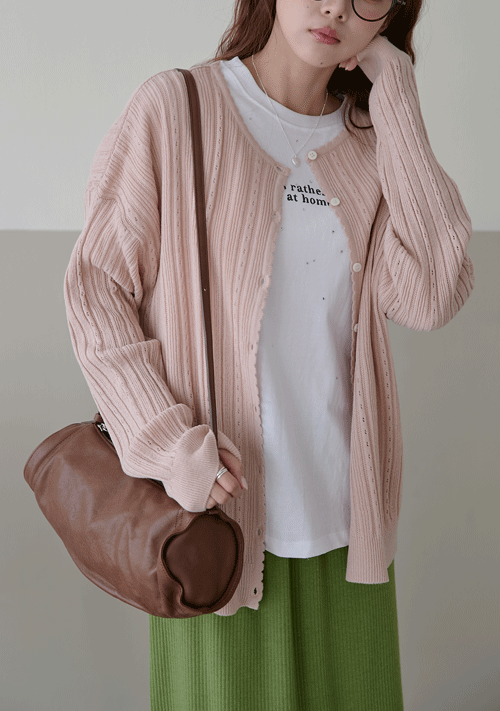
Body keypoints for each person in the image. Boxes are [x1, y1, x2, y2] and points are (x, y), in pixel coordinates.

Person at [63, 0, 475, 708]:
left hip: (347, 533)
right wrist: (168, 446)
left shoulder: (371, 145)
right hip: (214, 531)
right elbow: (96, 289)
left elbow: (433, 294)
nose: (336, 7)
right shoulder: (178, 109)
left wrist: (397, 95)